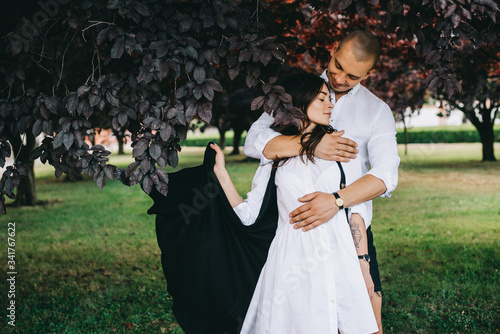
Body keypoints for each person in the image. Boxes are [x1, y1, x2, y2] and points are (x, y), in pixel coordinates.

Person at [243, 30, 400, 333]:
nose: (340, 78)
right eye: (337, 66)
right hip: (293, 230)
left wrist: (335, 201)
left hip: (349, 229)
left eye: (353, 76)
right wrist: (308, 143)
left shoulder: (377, 112)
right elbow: (255, 140)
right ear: (332, 50)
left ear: (370, 73)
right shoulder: (294, 92)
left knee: (363, 313)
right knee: (296, 316)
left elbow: (385, 176)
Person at [211, 71, 378, 333]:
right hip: (291, 265)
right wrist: (221, 174)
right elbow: (248, 214)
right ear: (300, 102)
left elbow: (355, 210)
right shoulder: (276, 155)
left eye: (330, 99)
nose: (330, 105)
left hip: (339, 257)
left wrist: (363, 264)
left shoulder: (342, 146)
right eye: (322, 98)